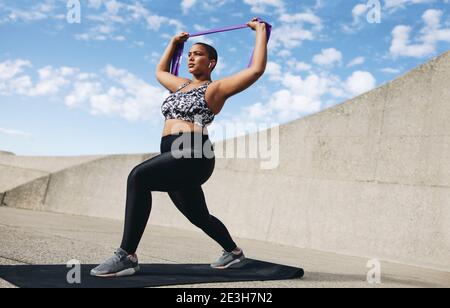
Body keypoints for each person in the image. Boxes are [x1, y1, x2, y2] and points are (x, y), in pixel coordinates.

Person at [90, 17, 268, 277]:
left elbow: (255, 70)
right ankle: (234, 253)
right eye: (189, 55)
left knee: (138, 177)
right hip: (172, 154)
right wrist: (173, 44)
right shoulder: (181, 85)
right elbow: (160, 72)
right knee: (199, 216)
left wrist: (261, 31)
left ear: (211, 63)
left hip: (193, 152)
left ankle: (127, 255)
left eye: (198, 55)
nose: (191, 58)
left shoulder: (215, 88)